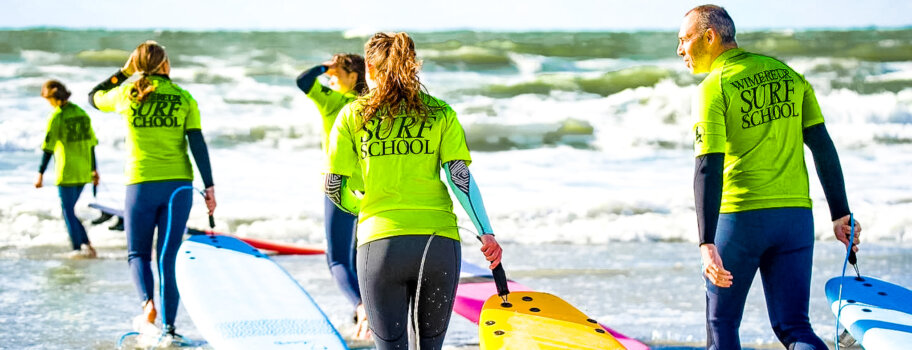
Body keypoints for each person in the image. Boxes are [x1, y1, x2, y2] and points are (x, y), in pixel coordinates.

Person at [678, 5, 862, 349]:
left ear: (709, 36)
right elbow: (822, 145)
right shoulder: (788, 75)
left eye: (684, 39)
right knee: (795, 327)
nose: (679, 50)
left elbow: (708, 165)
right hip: (795, 219)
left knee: (721, 324)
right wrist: (841, 214)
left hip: (741, 220)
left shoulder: (713, 87)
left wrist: (706, 242)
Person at [324, 32, 503, 350]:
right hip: (438, 245)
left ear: (369, 68)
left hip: (380, 245)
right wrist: (485, 233)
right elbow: (459, 176)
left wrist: (362, 208)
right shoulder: (440, 113)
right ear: (412, 67)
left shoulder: (351, 115)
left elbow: (333, 186)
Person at [88, 41, 216, 340]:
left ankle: (148, 305)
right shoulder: (184, 97)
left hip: (141, 184)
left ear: (137, 64)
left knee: (137, 253)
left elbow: (93, 97)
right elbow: (197, 143)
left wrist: (123, 73)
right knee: (168, 256)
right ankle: (170, 329)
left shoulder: (126, 94)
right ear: (165, 64)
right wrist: (209, 186)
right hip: (178, 187)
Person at [295, 53, 371, 339]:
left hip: (338, 188)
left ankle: (361, 307)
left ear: (353, 76)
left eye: (337, 72)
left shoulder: (332, 101)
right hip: (367, 187)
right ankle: (364, 317)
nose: (331, 77)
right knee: (359, 255)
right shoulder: (369, 104)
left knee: (337, 259)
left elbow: (302, 80)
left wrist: (322, 66)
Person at [35, 80, 100, 259]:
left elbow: (48, 148)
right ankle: (86, 245)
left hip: (67, 172)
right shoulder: (82, 114)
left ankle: (78, 248)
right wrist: (95, 170)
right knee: (71, 210)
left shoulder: (57, 117)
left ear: (53, 98)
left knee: (68, 212)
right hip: (84, 170)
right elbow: (91, 145)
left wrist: (40, 173)